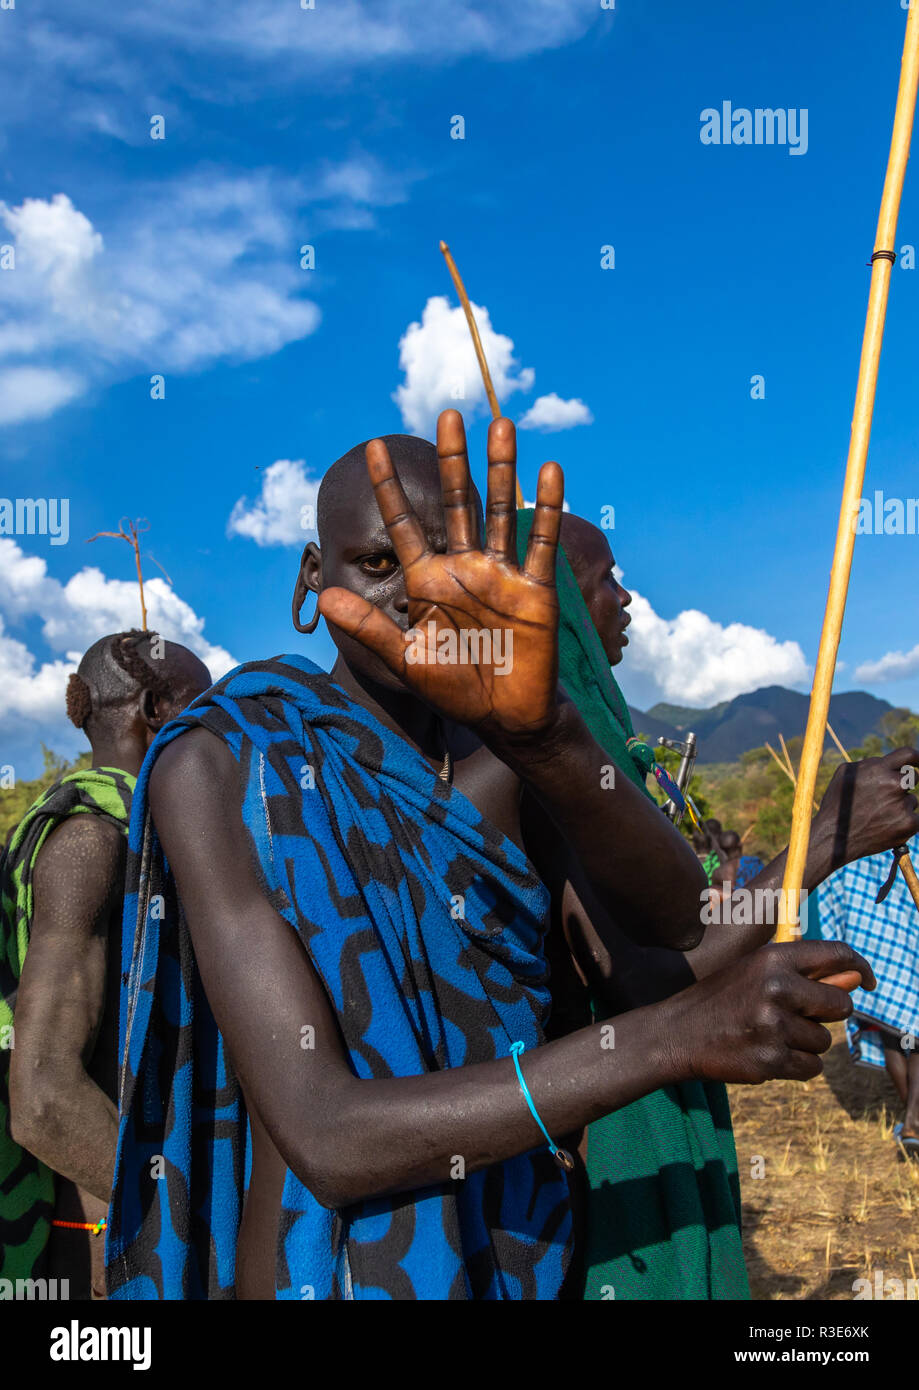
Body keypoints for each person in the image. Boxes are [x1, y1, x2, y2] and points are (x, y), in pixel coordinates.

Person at [107, 413, 876, 1301]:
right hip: (323, 1273)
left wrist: (551, 736)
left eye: (444, 559)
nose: (418, 590)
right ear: (311, 581)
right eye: (378, 563)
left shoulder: (507, 756)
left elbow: (668, 944)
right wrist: (674, 1040)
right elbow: (327, 1135)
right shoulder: (227, 761)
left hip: (521, 1253)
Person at [533, 510, 919, 1297]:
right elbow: (651, 978)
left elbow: (684, 939)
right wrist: (820, 842)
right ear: (563, 611)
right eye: (605, 580)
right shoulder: (548, 765)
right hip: (605, 1135)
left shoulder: (609, 750)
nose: (628, 598)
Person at [1, 630, 211, 1296]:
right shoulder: (93, 839)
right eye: (201, 714)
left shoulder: (138, 830)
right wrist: (185, 1225)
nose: (217, 745)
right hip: (104, 1254)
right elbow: (42, 1098)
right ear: (154, 710)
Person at [819, 835, 919, 1158]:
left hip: (874, 952)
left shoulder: (861, 843)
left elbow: (832, 890)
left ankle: (912, 1123)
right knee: (915, 1033)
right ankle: (913, 1122)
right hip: (910, 948)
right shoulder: (912, 842)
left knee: (893, 1035)